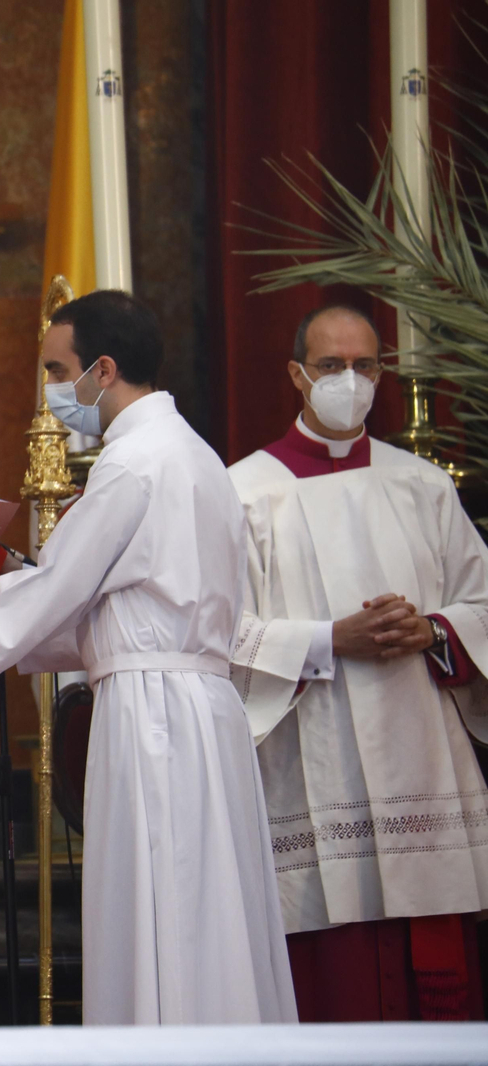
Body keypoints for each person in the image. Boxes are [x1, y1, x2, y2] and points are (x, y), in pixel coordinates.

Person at [0, 290, 297, 1025]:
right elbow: (116, 611)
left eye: (56, 369)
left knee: (159, 896)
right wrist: (12, 589)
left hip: (153, 715)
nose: (50, 392)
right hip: (200, 704)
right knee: (205, 903)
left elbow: (60, 590)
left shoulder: (132, 463)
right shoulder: (195, 455)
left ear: (102, 370)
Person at [227, 304, 488, 1022]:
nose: (351, 380)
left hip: (419, 754)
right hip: (311, 754)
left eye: (365, 365)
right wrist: (326, 640)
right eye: (332, 366)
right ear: (296, 375)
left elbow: (483, 600)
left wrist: (433, 630)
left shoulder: (423, 486)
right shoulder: (244, 493)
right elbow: (216, 632)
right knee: (330, 982)